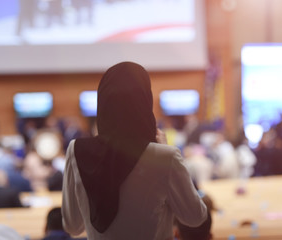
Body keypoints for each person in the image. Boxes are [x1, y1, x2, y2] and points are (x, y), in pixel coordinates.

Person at [62, 62, 207, 239]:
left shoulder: (76, 151)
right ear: (145, 103)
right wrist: (166, 150)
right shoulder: (164, 156)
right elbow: (195, 218)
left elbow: (72, 226)